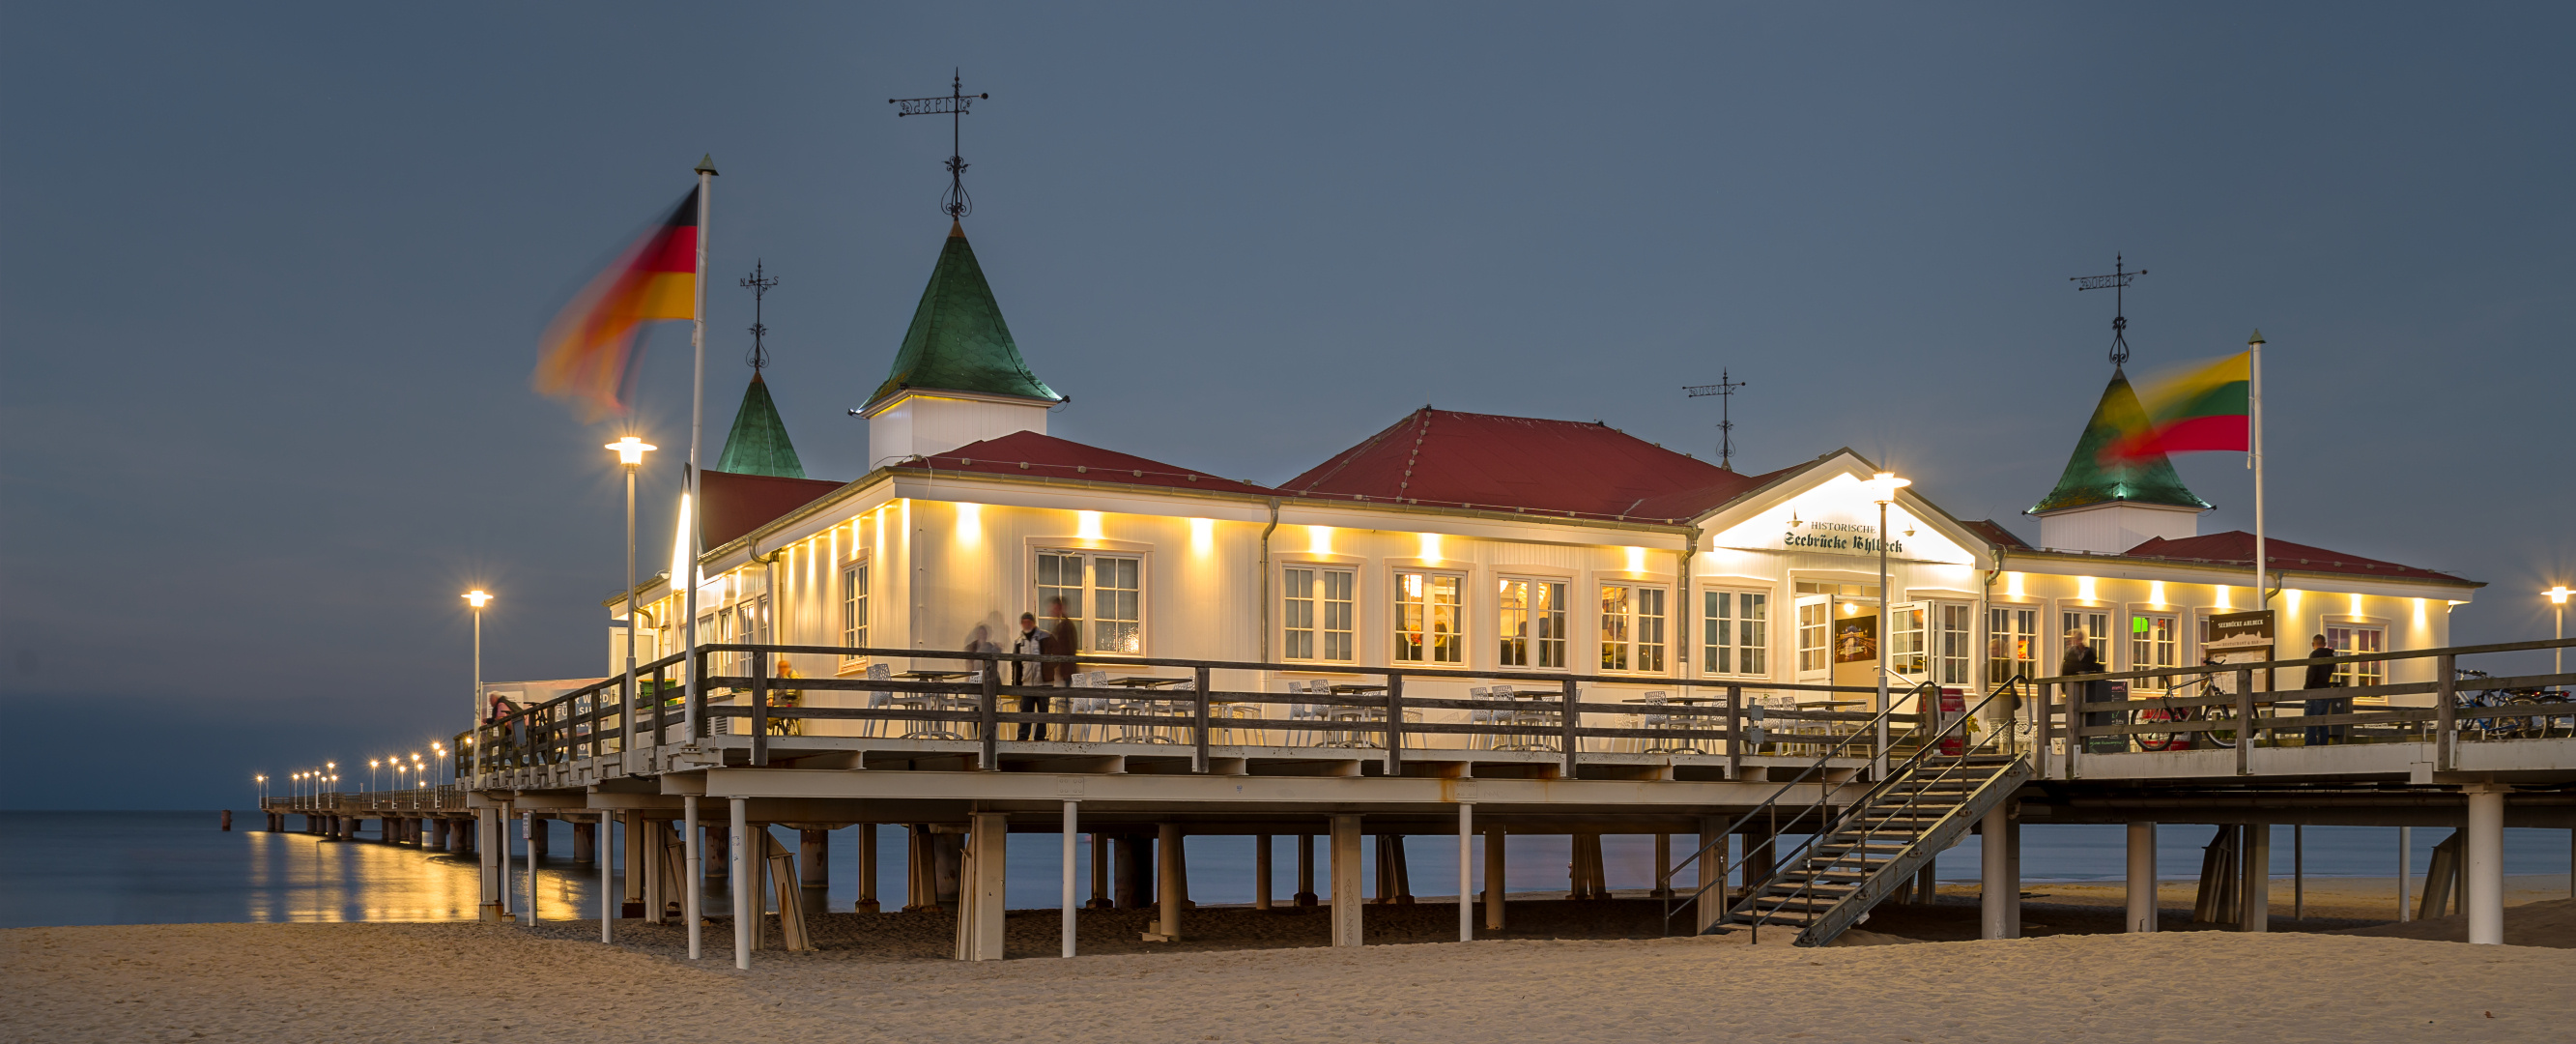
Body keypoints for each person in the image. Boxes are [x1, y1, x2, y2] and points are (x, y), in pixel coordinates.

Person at [1011, 612, 1059, 740]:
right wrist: (1016, 684)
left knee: (1043, 712)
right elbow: (1015, 664)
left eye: (1029, 621)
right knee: (1025, 712)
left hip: (1044, 682)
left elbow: (1059, 654)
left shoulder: (1046, 636)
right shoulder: (1018, 642)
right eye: (1024, 622)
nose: (1026, 624)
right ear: (1021, 624)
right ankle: (1022, 736)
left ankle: (1040, 737)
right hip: (1026, 682)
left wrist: (1048, 668)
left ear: (1033, 623)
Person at [2063, 629, 2112, 750]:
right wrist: (2065, 690)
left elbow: (2094, 670)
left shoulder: (2089, 653)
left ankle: (2087, 746)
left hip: (2089, 692)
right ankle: (2076, 747)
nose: (2077, 641)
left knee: (2088, 719)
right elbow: (2065, 673)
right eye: (2076, 639)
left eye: (2078, 639)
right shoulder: (2070, 655)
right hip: (2074, 692)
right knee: (2075, 720)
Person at [2302, 633, 2344, 746]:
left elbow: (2311, 673)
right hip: (2326, 690)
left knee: (2309, 722)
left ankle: (2310, 747)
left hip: (2314, 691)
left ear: (2313, 644)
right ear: (2325, 644)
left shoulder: (2315, 655)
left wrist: (2306, 688)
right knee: (2322, 722)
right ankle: (2323, 745)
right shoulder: (2331, 656)